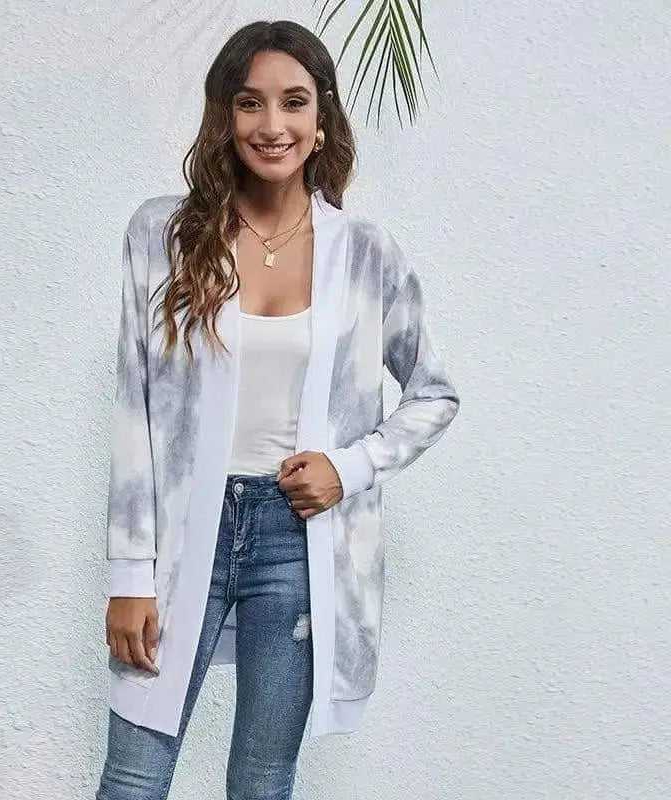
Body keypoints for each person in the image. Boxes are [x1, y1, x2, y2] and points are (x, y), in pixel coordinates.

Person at [95, 19, 460, 800]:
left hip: (298, 543)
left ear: (321, 117)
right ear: (224, 117)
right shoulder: (162, 235)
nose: (272, 125)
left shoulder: (365, 253)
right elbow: (135, 411)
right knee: (132, 779)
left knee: (263, 782)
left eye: (293, 102)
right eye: (250, 103)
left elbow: (434, 391)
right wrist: (128, 573)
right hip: (180, 536)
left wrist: (348, 467)